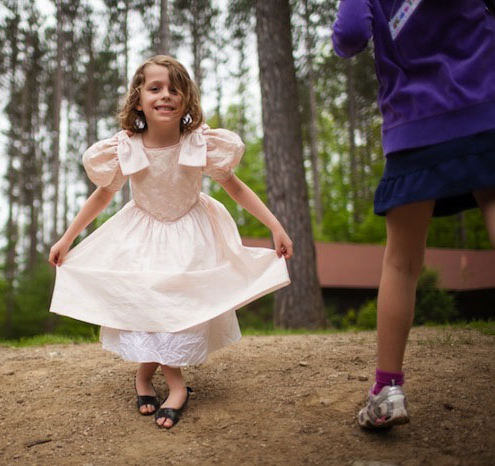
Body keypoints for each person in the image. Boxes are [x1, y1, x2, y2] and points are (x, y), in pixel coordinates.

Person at [48, 55, 292, 429]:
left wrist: (275, 226)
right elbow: (102, 195)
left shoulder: (199, 143)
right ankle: (162, 382)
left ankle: (158, 379)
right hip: (142, 235)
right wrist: (68, 238)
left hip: (190, 234)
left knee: (177, 309)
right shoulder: (126, 147)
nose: (165, 95)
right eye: (155, 88)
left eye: (174, 88)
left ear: (187, 98)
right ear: (139, 98)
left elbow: (235, 187)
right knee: (148, 307)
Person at [332, 1, 495, 429]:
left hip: (415, 122)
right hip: (487, 104)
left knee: (402, 263)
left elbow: (349, 37)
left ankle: (387, 391)